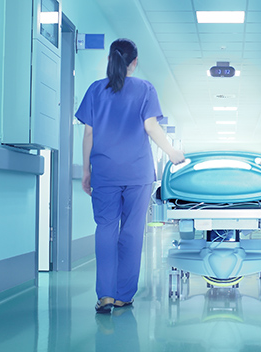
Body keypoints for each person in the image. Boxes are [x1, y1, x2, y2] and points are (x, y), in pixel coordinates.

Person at [76, 38, 185, 313]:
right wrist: (172, 152)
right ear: (134, 62)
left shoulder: (95, 90)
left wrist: (86, 170)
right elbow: (151, 127)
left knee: (105, 230)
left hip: (105, 172)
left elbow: (88, 133)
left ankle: (105, 296)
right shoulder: (145, 89)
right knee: (133, 232)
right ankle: (124, 295)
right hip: (137, 173)